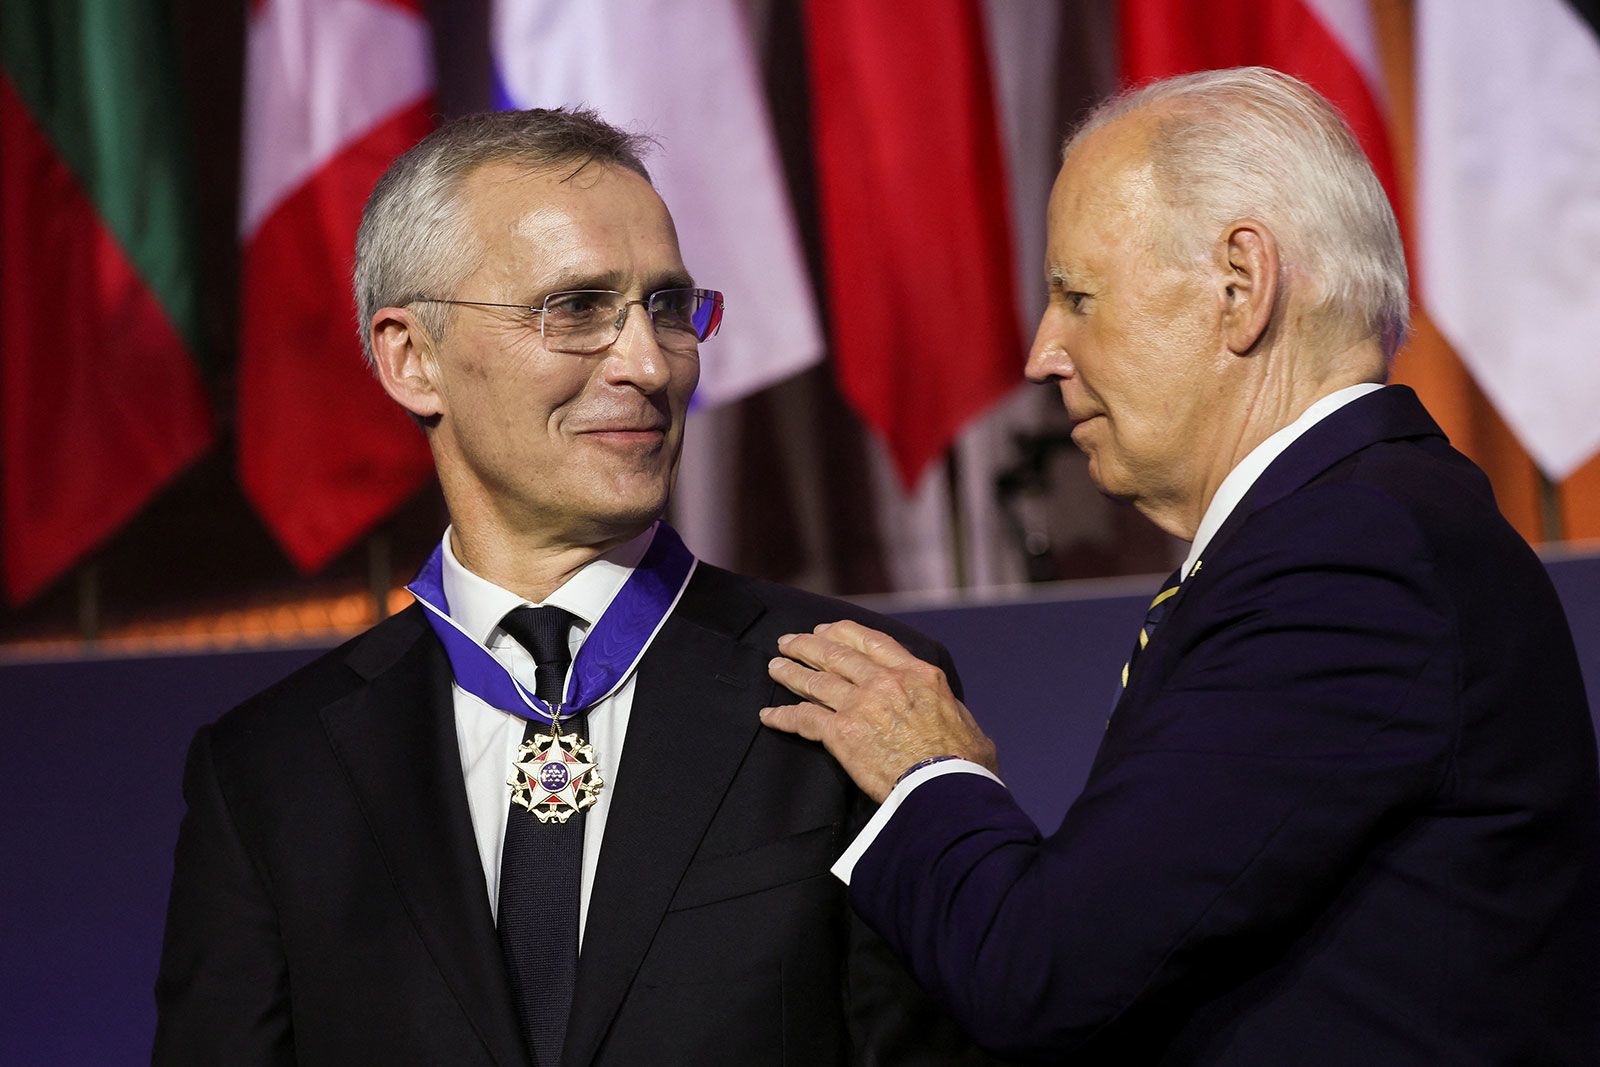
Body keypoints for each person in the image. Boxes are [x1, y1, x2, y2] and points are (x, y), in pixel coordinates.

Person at [762, 67, 1600, 1064]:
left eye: (1078, 296)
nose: (1041, 353)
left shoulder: (1348, 559)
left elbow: (1045, 972)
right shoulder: (1358, 529)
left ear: (1239, 285)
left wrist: (925, 770)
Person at [154, 108, 991, 1067]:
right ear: (409, 357)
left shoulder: (854, 690)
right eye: (579, 307)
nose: (647, 364)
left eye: (669, 308)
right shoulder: (271, 773)